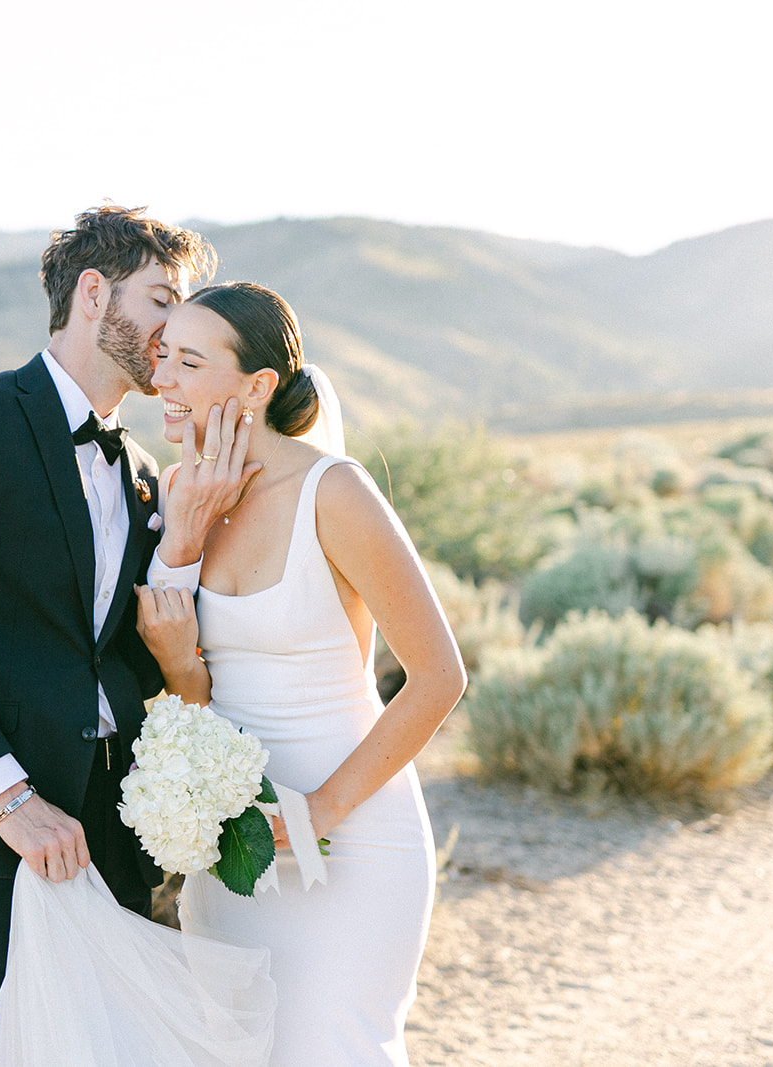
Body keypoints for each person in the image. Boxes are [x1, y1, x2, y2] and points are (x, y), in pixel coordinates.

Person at [0, 205, 228, 1067]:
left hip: (120, 829)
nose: (181, 329)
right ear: (94, 294)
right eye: (163, 300)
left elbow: (128, 644)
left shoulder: (142, 471)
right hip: (4, 834)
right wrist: (10, 800)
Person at [135, 281, 467, 1067]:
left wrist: (321, 809)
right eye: (162, 359)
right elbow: (187, 687)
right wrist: (179, 602)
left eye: (188, 361)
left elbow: (437, 676)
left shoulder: (334, 491)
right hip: (236, 849)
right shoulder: (178, 495)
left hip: (353, 837)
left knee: (332, 1046)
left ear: (257, 386)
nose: (164, 383)